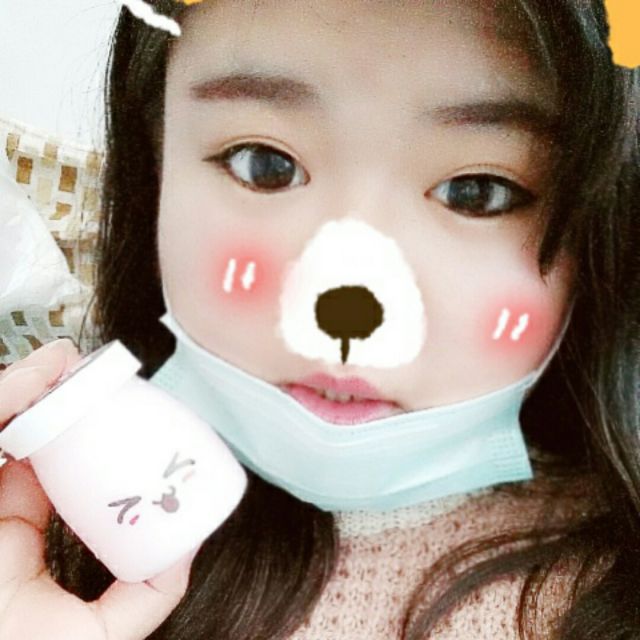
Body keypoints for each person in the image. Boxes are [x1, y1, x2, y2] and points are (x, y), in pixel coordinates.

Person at [0, 0, 638, 638]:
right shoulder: (47, 546)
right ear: (154, 168)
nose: (345, 305)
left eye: (477, 193)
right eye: (264, 165)